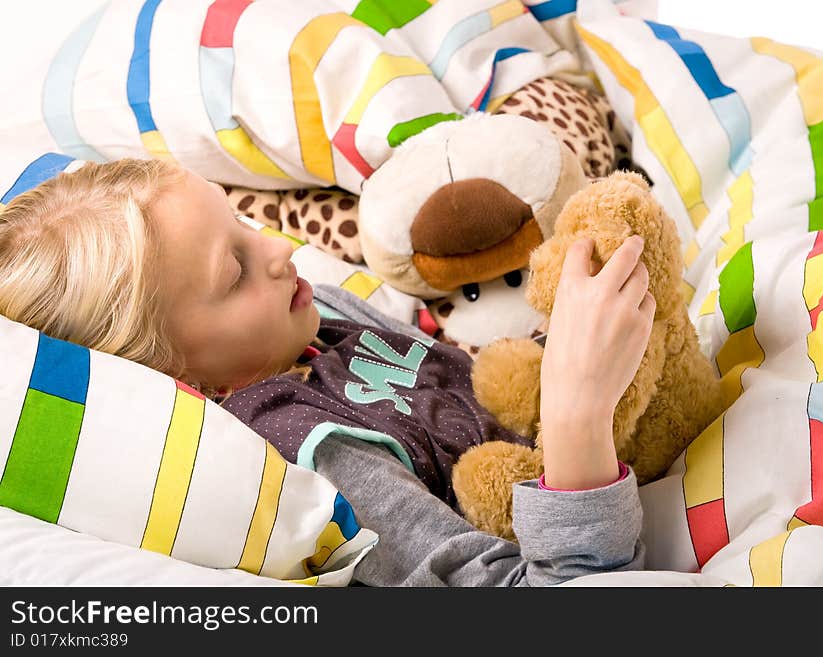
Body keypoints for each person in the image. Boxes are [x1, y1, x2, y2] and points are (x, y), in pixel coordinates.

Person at [0, 158, 655, 586]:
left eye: (243, 223)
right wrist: (578, 416)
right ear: (184, 381)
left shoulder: (310, 315)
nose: (281, 251)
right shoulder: (311, 453)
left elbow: (462, 371)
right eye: (234, 270)